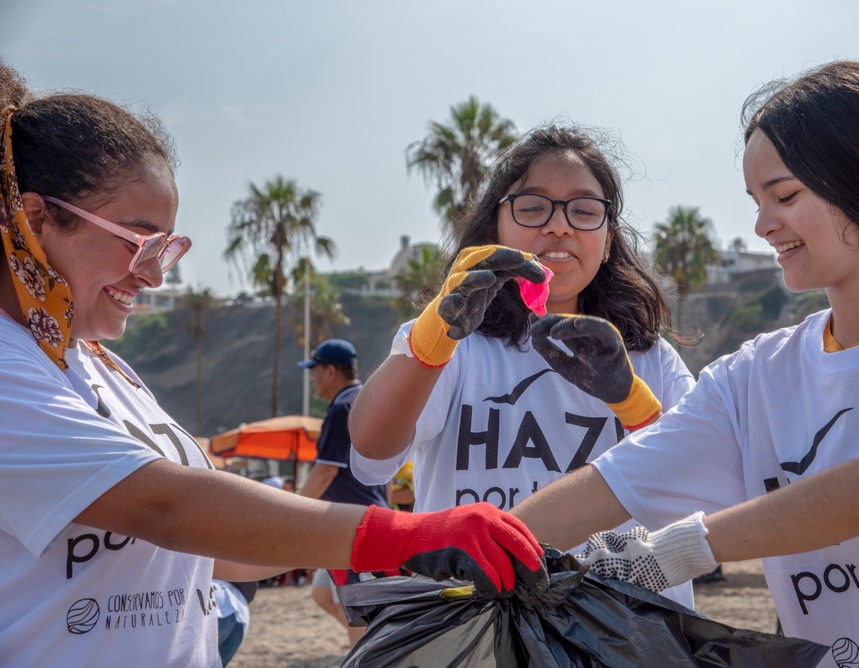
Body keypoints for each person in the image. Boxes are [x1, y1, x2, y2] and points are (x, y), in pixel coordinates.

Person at [0, 63, 544, 667]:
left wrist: (368, 545)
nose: (154, 274)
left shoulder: (106, 367)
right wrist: (408, 535)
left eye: (168, 248)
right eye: (139, 241)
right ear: (35, 217)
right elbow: (169, 508)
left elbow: (213, 551)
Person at [511, 61, 859, 666]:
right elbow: (612, 486)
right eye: (756, 200)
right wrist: (470, 553)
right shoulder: (755, 377)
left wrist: (674, 551)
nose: (763, 225)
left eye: (785, 195)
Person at [348, 125, 698, 607]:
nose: (559, 226)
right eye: (532, 207)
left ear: (609, 237)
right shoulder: (449, 344)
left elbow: (699, 492)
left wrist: (634, 404)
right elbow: (370, 455)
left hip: (626, 624)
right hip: (475, 618)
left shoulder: (650, 356)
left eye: (584, 210)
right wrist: (433, 340)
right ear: (496, 228)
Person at [297, 338, 387, 648]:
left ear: (331, 371)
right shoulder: (365, 400)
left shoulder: (342, 409)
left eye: (315, 371)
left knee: (355, 607)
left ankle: (368, 649)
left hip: (351, 524)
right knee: (324, 595)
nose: (313, 379)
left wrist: (290, 510)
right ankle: (369, 643)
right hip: (361, 516)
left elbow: (324, 472)